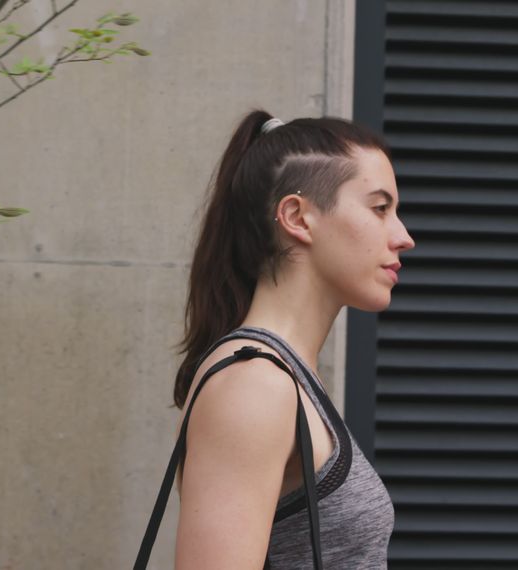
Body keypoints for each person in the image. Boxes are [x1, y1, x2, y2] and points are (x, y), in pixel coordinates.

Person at [170, 109, 416, 569]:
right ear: (297, 217)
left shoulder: (284, 376)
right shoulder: (254, 385)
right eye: (380, 208)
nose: (403, 236)